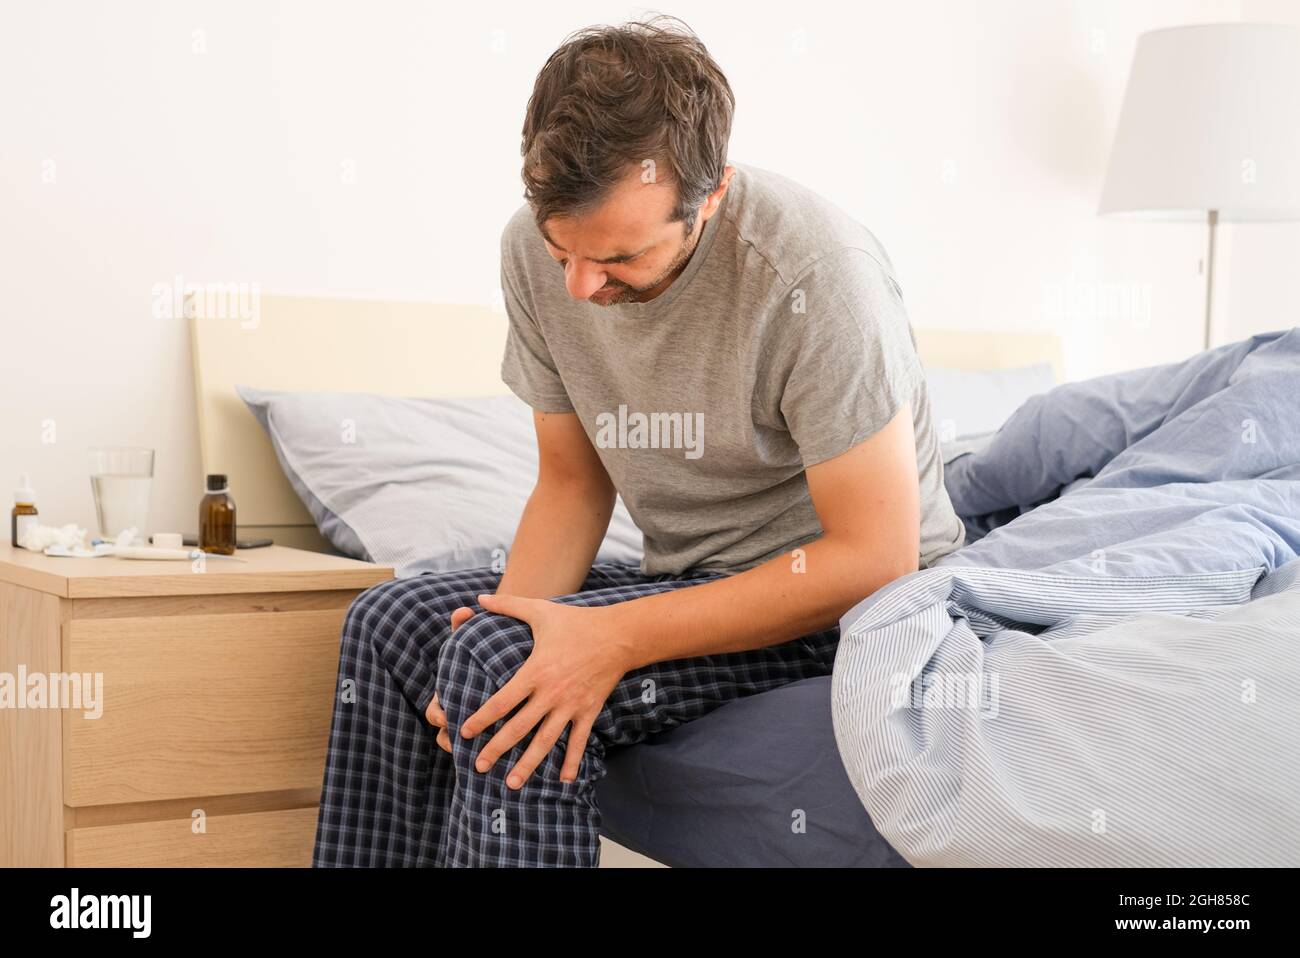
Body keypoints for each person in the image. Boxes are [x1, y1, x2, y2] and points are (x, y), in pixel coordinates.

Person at [313, 16, 964, 867]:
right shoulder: (531, 252)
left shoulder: (816, 276)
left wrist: (611, 639)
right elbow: (572, 485)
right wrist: (517, 616)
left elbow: (875, 559)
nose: (581, 287)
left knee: (500, 664)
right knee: (392, 626)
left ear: (712, 195)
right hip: (687, 577)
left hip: (853, 609)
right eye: (563, 251)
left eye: (619, 258)